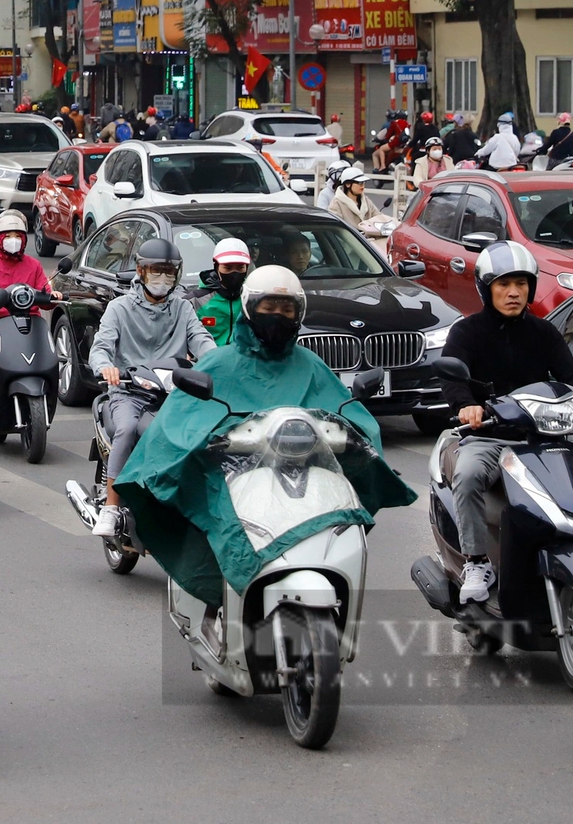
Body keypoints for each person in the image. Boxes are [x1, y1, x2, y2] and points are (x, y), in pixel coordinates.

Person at [114, 267, 413, 629]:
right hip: (235, 480)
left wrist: (356, 441)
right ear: (249, 307)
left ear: (298, 314)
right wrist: (213, 441)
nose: (277, 316)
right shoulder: (219, 364)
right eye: (269, 306)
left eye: (286, 309)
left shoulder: (311, 366)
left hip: (306, 477)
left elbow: (346, 413)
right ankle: (217, 603)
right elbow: (180, 423)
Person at [439, 241, 573, 603]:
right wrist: (466, 406)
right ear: (485, 288)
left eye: (521, 284)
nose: (513, 293)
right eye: (503, 285)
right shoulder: (467, 332)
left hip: (543, 436)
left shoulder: (544, 333)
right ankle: (476, 561)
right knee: (469, 474)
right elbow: (452, 378)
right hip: (489, 436)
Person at [86, 237, 217, 537]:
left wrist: (217, 362)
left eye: (169, 272)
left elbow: (201, 339)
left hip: (173, 393)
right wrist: (106, 367)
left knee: (206, 433)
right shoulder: (119, 308)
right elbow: (101, 347)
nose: (163, 278)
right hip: (128, 392)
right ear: (141, 271)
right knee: (128, 429)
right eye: (156, 271)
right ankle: (111, 506)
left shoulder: (182, 308)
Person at [0, 210, 51, 318]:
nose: (13, 240)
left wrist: (54, 297)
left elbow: (46, 297)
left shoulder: (34, 265)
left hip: (31, 320)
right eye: (8, 236)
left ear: (24, 239)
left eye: (18, 236)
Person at [194, 237, 252, 347]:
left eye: (240, 267)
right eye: (227, 267)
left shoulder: (254, 298)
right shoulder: (194, 301)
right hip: (207, 360)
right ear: (216, 266)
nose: (234, 273)